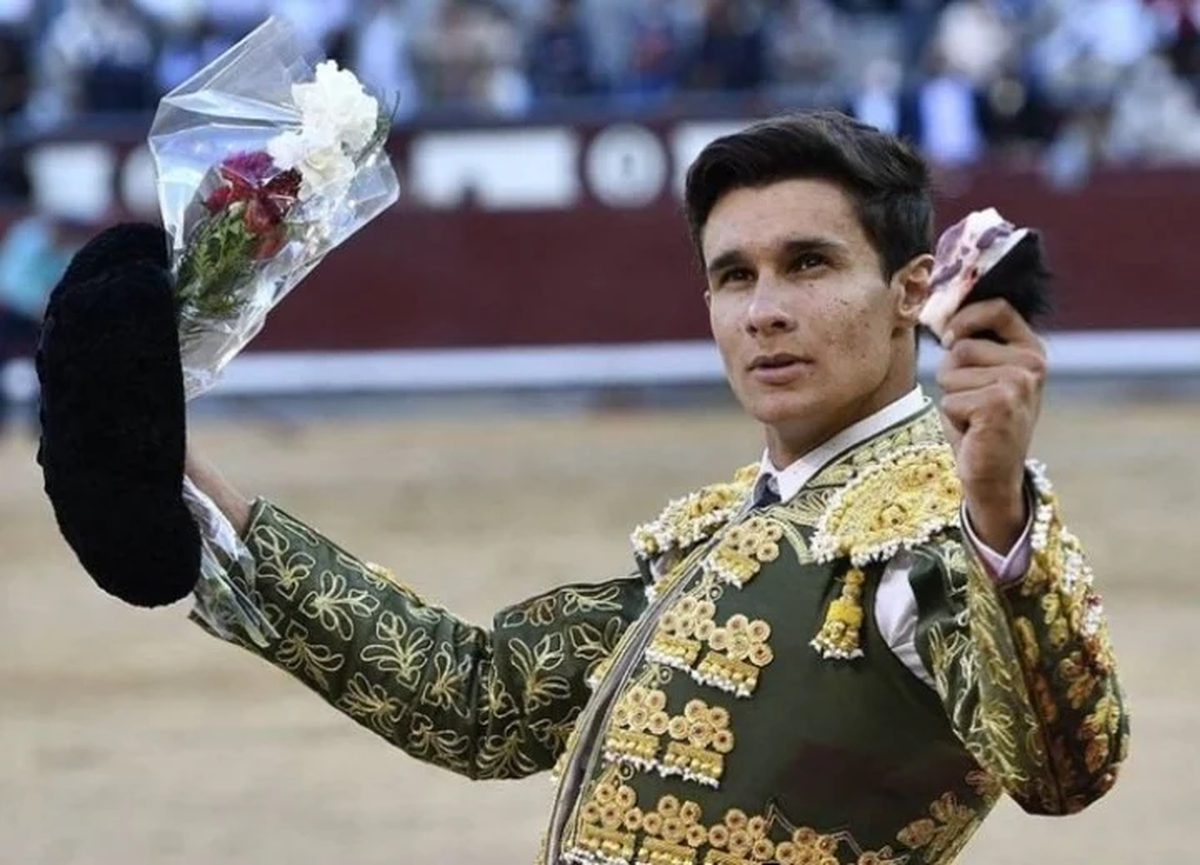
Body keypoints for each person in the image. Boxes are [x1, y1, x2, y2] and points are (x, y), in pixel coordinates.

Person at [62, 112, 1132, 864]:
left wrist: (998, 512)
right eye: (734, 275)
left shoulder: (933, 528)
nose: (764, 310)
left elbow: (1062, 768)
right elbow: (481, 701)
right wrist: (176, 468)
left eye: (809, 263)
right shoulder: (729, 530)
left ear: (909, 292)